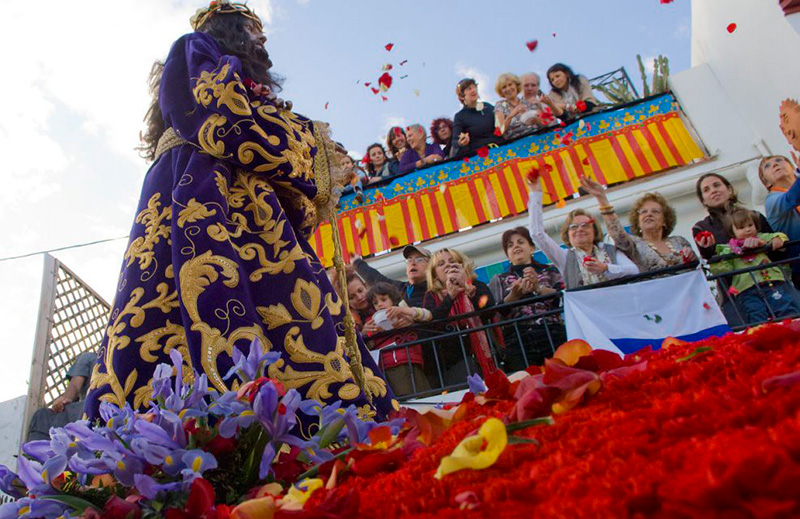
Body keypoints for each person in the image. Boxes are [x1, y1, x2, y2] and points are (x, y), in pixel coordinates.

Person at [85, 1, 395, 421]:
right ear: (226, 27)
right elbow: (225, 119)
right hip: (202, 191)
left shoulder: (241, 79)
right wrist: (309, 145)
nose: (262, 37)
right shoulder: (194, 47)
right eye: (252, 27)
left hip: (243, 202)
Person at [692, 173, 782, 325]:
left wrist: (764, 244)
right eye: (706, 190)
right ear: (703, 200)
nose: (713, 191)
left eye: (717, 185)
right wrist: (707, 249)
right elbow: (710, 260)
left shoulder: (754, 216)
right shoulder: (701, 228)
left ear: (729, 189)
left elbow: (777, 249)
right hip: (735, 293)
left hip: (771, 282)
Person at [526, 177, 639, 288]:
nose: (580, 229)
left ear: (594, 231)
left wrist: (605, 268)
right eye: (574, 227)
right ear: (567, 234)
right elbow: (537, 234)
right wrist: (535, 193)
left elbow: (634, 270)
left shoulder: (609, 250)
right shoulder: (564, 257)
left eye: (585, 225)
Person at [489, 227, 566, 372]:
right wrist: (513, 297)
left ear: (531, 248)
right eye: (510, 245)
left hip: (552, 333)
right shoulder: (498, 279)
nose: (516, 246)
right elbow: (496, 314)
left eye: (520, 242)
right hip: (518, 339)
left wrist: (538, 288)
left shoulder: (550, 271)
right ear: (508, 256)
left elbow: (562, 299)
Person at [580, 177, 697, 272]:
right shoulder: (634, 245)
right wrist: (602, 199)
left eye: (655, 211)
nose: (649, 214)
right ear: (638, 221)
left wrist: (691, 257)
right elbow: (616, 232)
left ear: (665, 220)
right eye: (643, 212)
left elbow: (695, 266)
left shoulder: (679, 241)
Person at [422, 248, 499, 386]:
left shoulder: (476, 286)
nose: (448, 265)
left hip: (487, 357)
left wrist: (467, 286)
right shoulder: (431, 296)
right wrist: (450, 297)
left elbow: (489, 309)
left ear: (462, 266)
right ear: (435, 275)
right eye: (441, 264)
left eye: (452, 261)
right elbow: (433, 324)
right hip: (454, 364)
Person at [709, 208, 799, 323]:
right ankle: (763, 337)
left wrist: (776, 240)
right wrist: (718, 261)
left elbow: (779, 236)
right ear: (732, 232)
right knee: (756, 315)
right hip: (746, 289)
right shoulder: (728, 249)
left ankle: (793, 333)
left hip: (771, 282)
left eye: (750, 225)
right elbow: (722, 269)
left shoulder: (761, 237)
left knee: (785, 307)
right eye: (741, 228)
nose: (747, 230)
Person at [362, 283, 432, 397]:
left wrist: (404, 312)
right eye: (375, 303)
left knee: (423, 394)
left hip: (412, 361)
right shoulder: (371, 321)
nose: (380, 304)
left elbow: (428, 315)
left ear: (393, 300)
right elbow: (368, 344)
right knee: (404, 398)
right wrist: (366, 333)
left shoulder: (404, 313)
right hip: (388, 366)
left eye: (384, 299)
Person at [28, 351, 97, 441]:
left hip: (97, 405)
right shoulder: (90, 358)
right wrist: (65, 400)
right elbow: (75, 386)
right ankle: (38, 452)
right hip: (83, 407)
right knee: (42, 415)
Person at [758, 155, 800, 287]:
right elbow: (792, 198)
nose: (775, 165)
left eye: (779, 160)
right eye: (767, 166)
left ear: (791, 167)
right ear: (767, 183)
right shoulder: (772, 200)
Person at [353, 245, 430, 308]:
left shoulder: (435, 290)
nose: (412, 263)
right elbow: (375, 278)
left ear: (430, 266)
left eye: (419, 259)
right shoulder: (401, 288)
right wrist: (356, 262)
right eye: (409, 260)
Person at [451, 78, 503, 158]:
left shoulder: (488, 107)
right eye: (469, 89)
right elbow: (455, 141)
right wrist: (461, 142)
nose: (473, 90)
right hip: (480, 157)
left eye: (474, 87)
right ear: (462, 96)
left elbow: (501, 127)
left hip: (500, 149)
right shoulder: (460, 116)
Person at [494, 73, 537, 141]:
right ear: (501, 92)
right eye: (504, 87)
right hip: (516, 144)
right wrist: (511, 115)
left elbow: (542, 123)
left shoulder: (527, 102)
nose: (508, 88)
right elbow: (499, 131)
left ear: (516, 85)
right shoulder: (500, 105)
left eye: (510, 84)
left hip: (536, 137)